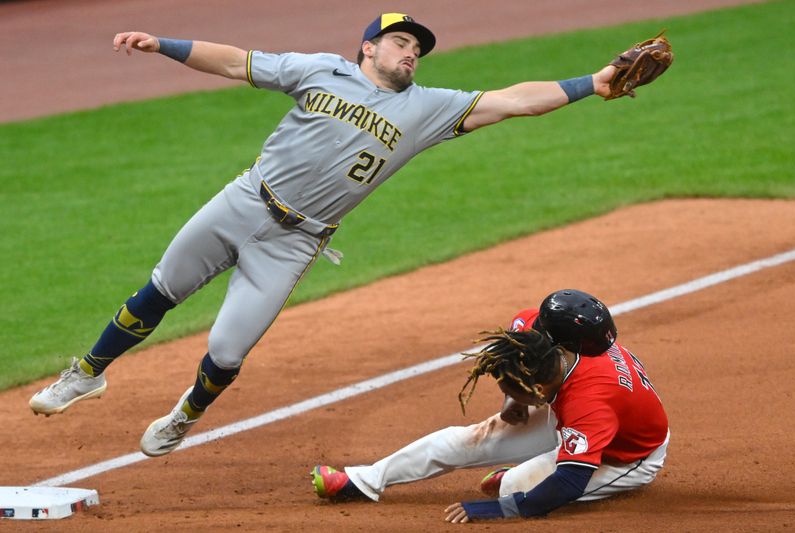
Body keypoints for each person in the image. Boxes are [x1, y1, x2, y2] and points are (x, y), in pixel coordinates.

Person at [29, 13, 624, 458]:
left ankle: (186, 413)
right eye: (400, 42)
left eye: (417, 48)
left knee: (228, 353)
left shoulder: (428, 109)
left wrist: (593, 83)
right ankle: (86, 373)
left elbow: (515, 100)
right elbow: (237, 61)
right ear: (368, 46)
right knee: (159, 290)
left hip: (294, 242)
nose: (411, 53)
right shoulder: (319, 69)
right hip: (242, 201)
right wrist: (162, 45)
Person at [311, 290, 669, 523]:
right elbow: (510, 363)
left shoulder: (592, 397)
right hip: (572, 412)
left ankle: (517, 477)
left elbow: (570, 481)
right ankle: (363, 480)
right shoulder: (532, 331)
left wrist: (496, 510)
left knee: (516, 490)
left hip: (625, 455)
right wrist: (513, 400)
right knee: (475, 437)